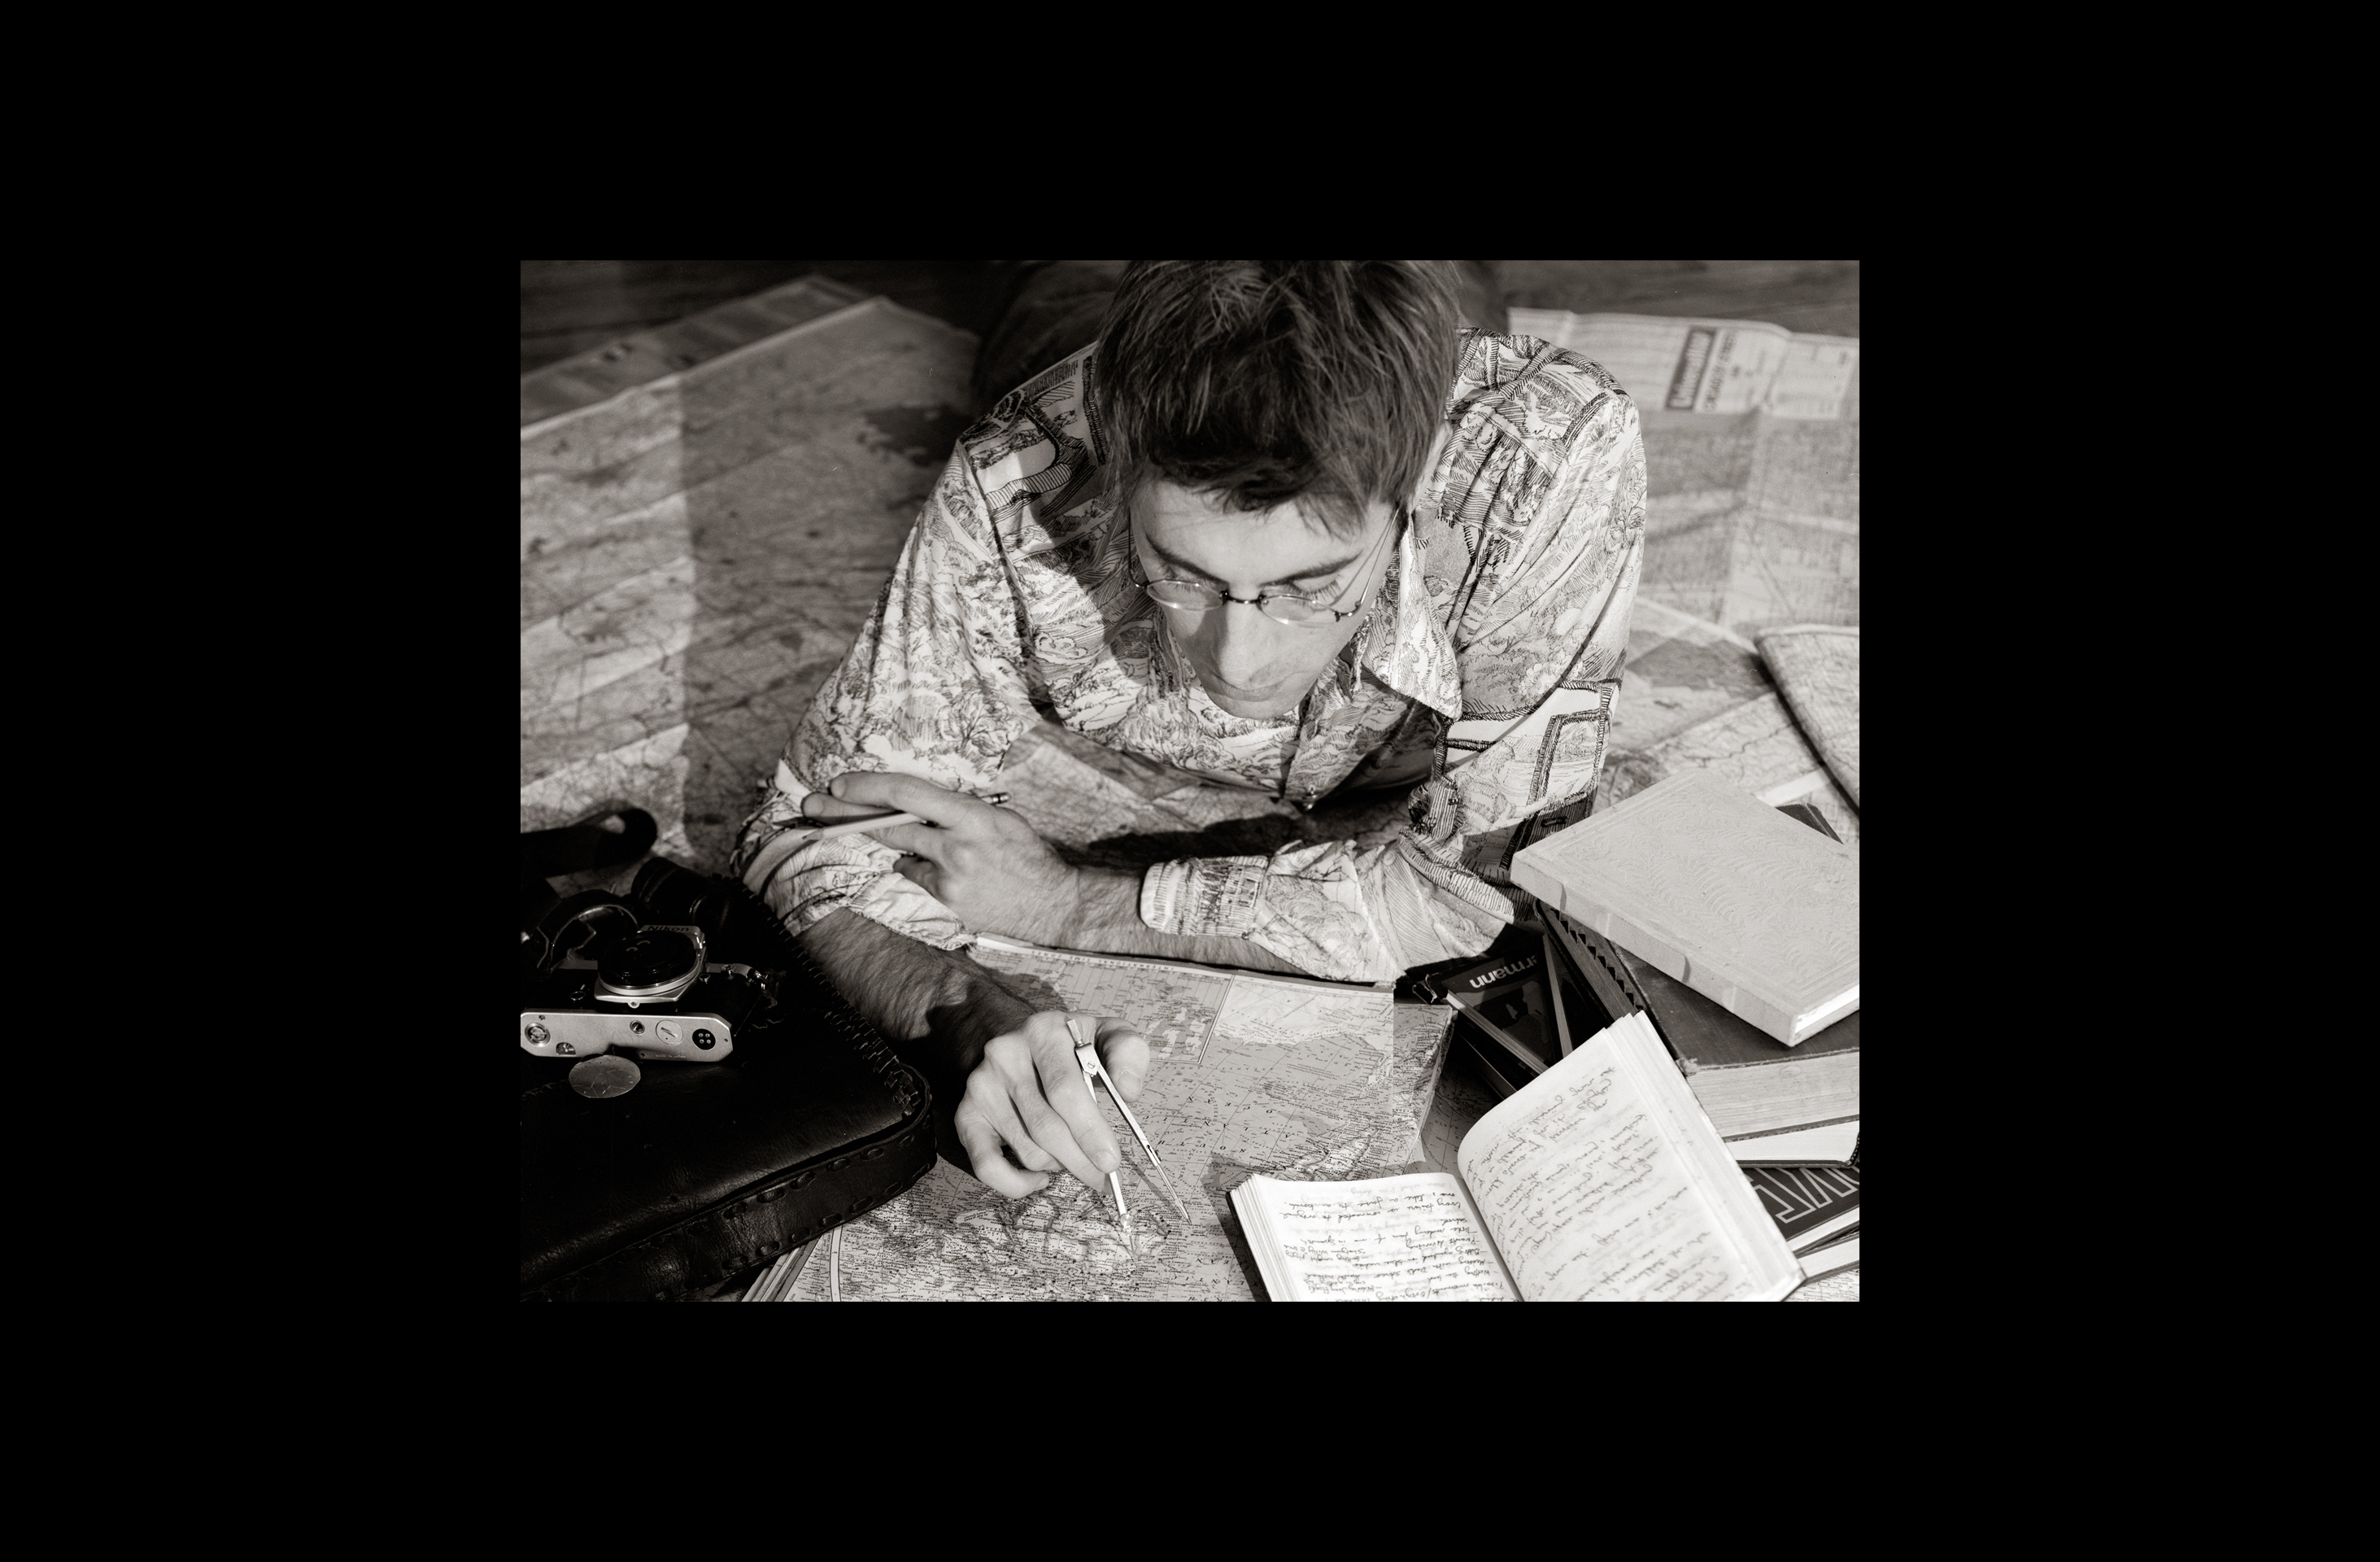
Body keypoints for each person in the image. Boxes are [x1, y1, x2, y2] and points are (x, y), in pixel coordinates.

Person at [731, 260, 1646, 1199]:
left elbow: (1473, 897)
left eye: (1310, 586)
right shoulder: (1017, 476)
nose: (1239, 660)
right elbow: (803, 835)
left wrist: (1067, 904)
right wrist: (961, 1004)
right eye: (1181, 572)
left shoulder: (1534, 463)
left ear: (1412, 486)